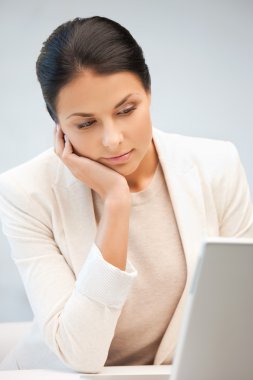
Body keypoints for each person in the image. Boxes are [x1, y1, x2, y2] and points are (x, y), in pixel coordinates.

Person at [0, 16, 252, 373]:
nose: (112, 139)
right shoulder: (26, 193)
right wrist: (117, 202)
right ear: (58, 127)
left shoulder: (217, 165)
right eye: (86, 124)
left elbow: (242, 312)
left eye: (126, 110)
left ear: (149, 93)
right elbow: (81, 354)